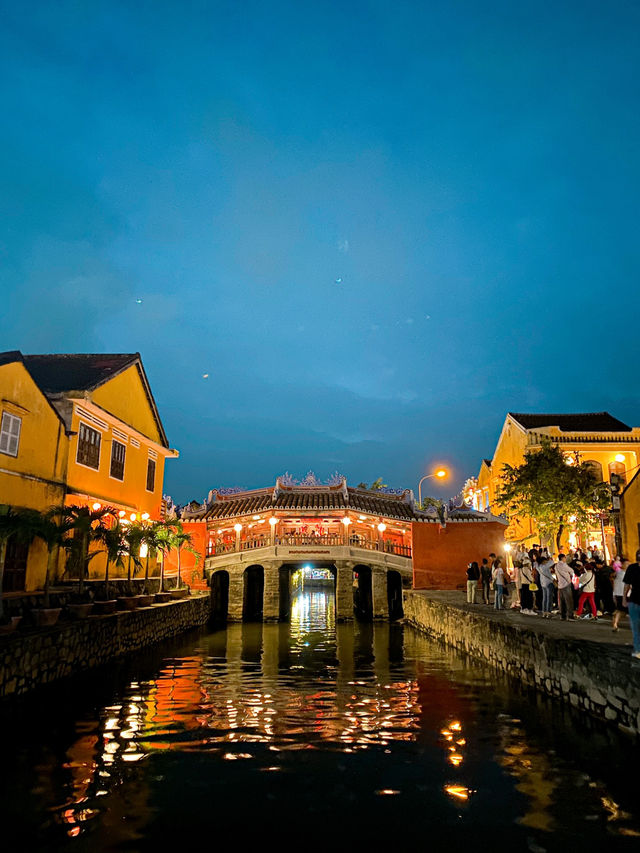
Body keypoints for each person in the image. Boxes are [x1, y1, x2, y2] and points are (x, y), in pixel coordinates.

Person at [623, 551, 640, 658]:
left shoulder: (632, 568)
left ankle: (638, 650)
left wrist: (624, 598)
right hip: (634, 601)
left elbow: (626, 586)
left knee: (635, 627)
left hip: (634, 601)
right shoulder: (632, 568)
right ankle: (638, 649)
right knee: (635, 627)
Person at [555, 553, 575, 621]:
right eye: (565, 558)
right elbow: (571, 570)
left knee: (561, 601)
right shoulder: (563, 565)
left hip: (560, 585)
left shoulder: (556, 565)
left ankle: (562, 616)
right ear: (562, 558)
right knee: (568, 600)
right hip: (566, 584)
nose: (565, 559)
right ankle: (570, 616)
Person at [612, 558, 629, 632]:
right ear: (622, 565)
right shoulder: (619, 572)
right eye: (627, 564)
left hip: (625, 594)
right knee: (621, 610)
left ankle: (615, 623)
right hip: (621, 594)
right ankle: (615, 624)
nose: (628, 565)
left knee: (622, 611)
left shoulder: (624, 573)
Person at [537, 554, 556, 618]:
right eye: (545, 561)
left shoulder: (539, 567)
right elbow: (552, 562)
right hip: (548, 583)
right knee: (549, 598)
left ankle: (544, 612)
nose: (546, 562)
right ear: (543, 561)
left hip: (543, 583)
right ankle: (548, 612)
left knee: (544, 598)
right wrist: (550, 559)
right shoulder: (544, 566)